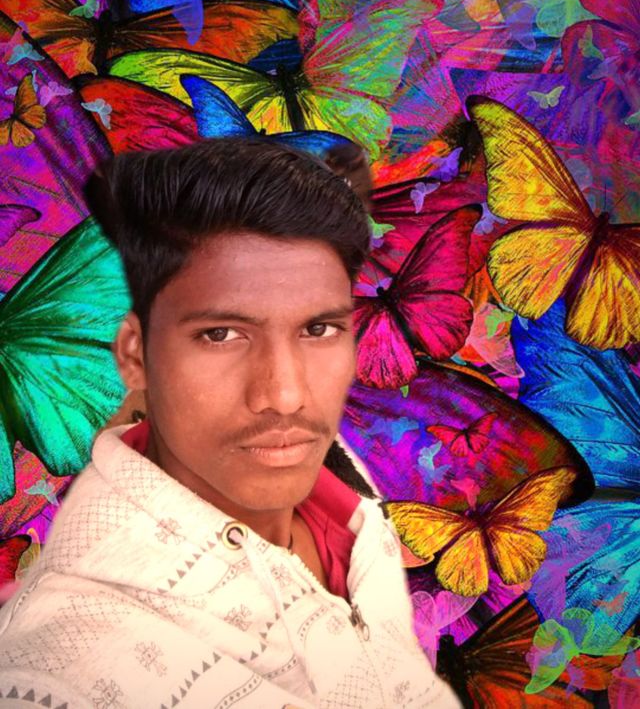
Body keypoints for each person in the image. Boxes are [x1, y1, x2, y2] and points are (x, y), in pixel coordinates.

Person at [0, 137, 460, 708]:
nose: (285, 395)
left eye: (318, 329)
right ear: (136, 355)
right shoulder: (61, 673)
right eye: (220, 334)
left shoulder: (356, 517)